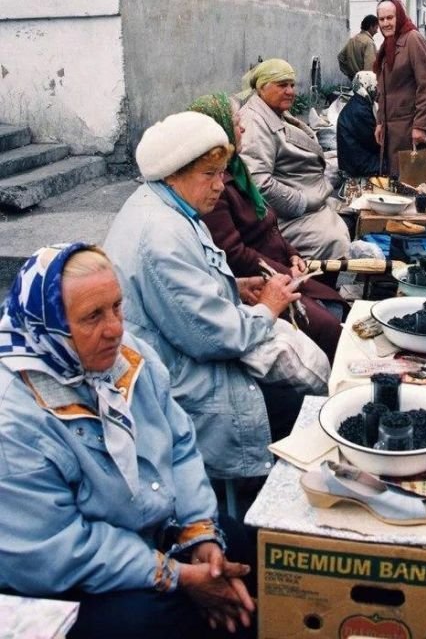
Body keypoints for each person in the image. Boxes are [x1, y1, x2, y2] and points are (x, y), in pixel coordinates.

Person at [0, 244, 256, 639]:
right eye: (92, 317)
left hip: (147, 531)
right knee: (155, 621)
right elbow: (54, 549)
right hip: (61, 578)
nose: (115, 328)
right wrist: (176, 575)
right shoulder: (14, 421)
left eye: (117, 307)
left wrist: (199, 533)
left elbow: (180, 445)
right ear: (47, 325)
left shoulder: (129, 357)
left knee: (240, 545)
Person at [104, 111, 329, 483]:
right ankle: (265, 503)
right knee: (303, 410)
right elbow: (216, 337)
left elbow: (186, 293)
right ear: (174, 173)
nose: (220, 185)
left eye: (222, 173)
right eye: (209, 175)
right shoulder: (161, 235)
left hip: (178, 355)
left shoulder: (168, 207)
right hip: (176, 382)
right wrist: (269, 308)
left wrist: (234, 287)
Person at [189, 92, 343, 363]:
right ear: (218, 129)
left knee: (336, 306)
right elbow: (235, 255)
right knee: (329, 326)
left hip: (278, 266)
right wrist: (287, 274)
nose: (243, 127)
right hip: (259, 281)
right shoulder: (216, 188)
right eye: (236, 122)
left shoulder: (238, 169)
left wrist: (293, 254)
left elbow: (270, 224)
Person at [238, 59, 351, 259]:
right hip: (283, 216)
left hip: (307, 202)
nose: (290, 91)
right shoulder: (254, 122)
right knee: (334, 240)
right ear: (262, 88)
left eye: (292, 85)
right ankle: (315, 288)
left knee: (346, 222)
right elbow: (257, 181)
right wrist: (302, 202)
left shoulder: (273, 112)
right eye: (282, 85)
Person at [373, 0, 426, 176]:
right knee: (403, 180)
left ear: (399, 16)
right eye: (381, 19)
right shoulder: (388, 46)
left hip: (411, 126)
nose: (385, 23)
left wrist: (421, 125)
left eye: (390, 18)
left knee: (419, 182)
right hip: (395, 127)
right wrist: (380, 122)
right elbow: (384, 90)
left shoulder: (413, 39)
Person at [336, 71, 383, 178]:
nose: (378, 90)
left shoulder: (359, 102)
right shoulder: (360, 110)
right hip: (358, 164)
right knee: (396, 165)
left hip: (355, 160)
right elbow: (375, 141)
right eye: (376, 86)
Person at [337, 15, 379, 81]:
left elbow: (341, 57)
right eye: (376, 28)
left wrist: (350, 74)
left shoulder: (352, 40)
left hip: (355, 81)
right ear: (371, 27)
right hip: (365, 84)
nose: (377, 31)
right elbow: (369, 69)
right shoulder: (369, 43)